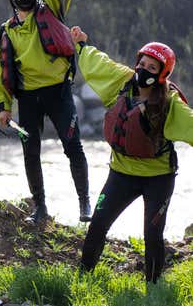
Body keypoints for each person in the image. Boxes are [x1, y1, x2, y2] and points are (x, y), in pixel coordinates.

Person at [71, 27, 193, 283]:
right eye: (142, 64)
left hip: (158, 178)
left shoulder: (171, 103)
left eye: (152, 68)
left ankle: (154, 289)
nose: (144, 70)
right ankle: (82, 279)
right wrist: (82, 45)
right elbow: (99, 64)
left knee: (152, 235)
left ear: (162, 74)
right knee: (98, 224)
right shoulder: (122, 82)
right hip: (121, 174)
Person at [0, 0, 91, 225]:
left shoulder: (52, 9)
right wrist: (3, 106)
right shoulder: (6, 32)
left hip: (59, 92)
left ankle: (85, 203)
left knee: (73, 146)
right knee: (30, 151)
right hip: (28, 98)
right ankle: (40, 207)